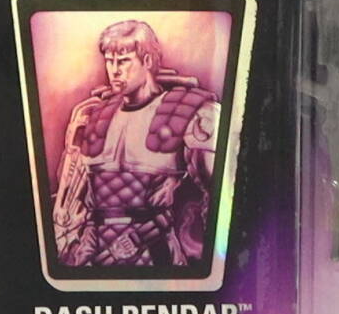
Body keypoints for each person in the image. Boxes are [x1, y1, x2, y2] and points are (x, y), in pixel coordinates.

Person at [52, 20, 218, 268]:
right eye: (109, 61)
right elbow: (72, 202)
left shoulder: (193, 114)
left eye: (123, 61)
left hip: (156, 254)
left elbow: (221, 197)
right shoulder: (93, 116)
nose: (114, 70)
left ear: (147, 61)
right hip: (94, 254)